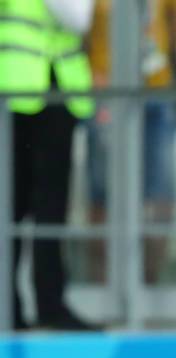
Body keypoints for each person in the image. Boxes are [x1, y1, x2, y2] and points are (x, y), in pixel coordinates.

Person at [87, 0, 176, 282]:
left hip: (156, 91)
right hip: (106, 91)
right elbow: (78, 25)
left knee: (160, 192)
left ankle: (148, 286)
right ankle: (106, 287)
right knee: (102, 192)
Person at [0, 0, 97, 329]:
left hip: (52, 88)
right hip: (18, 88)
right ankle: (21, 306)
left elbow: (79, 18)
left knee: (44, 205)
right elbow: (77, 16)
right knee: (16, 204)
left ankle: (45, 303)